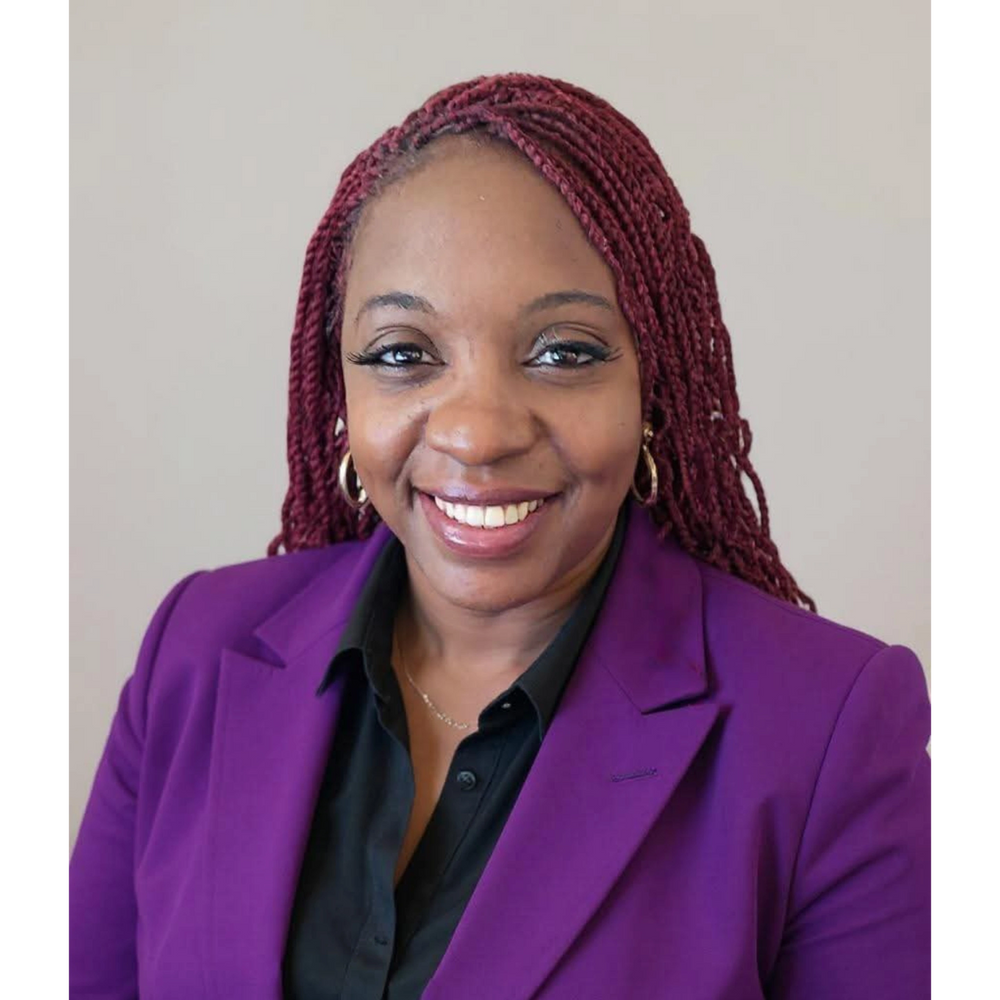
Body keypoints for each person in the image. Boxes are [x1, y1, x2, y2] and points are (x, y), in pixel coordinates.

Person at [66, 72, 934, 999]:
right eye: (404, 354)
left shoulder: (829, 731)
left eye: (563, 352)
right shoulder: (195, 653)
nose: (477, 433)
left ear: (653, 390)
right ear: (341, 395)